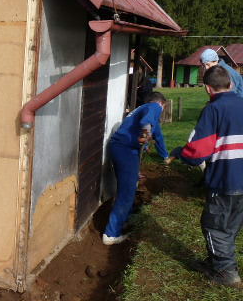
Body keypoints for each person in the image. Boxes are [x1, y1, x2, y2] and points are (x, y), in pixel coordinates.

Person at [170, 65, 243, 287]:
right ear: (231, 84)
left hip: (225, 179)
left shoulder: (213, 109)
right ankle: (216, 262)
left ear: (207, 89)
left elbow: (198, 152)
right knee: (230, 224)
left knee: (214, 225)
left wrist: (180, 153)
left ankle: (226, 273)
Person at [103, 92, 170, 245]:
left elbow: (158, 136)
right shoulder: (153, 106)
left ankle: (124, 218)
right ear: (161, 103)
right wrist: (146, 135)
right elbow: (146, 123)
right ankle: (111, 234)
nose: (161, 111)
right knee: (126, 192)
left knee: (129, 186)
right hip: (125, 150)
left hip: (123, 149)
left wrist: (165, 156)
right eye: (163, 107)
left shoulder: (141, 110)